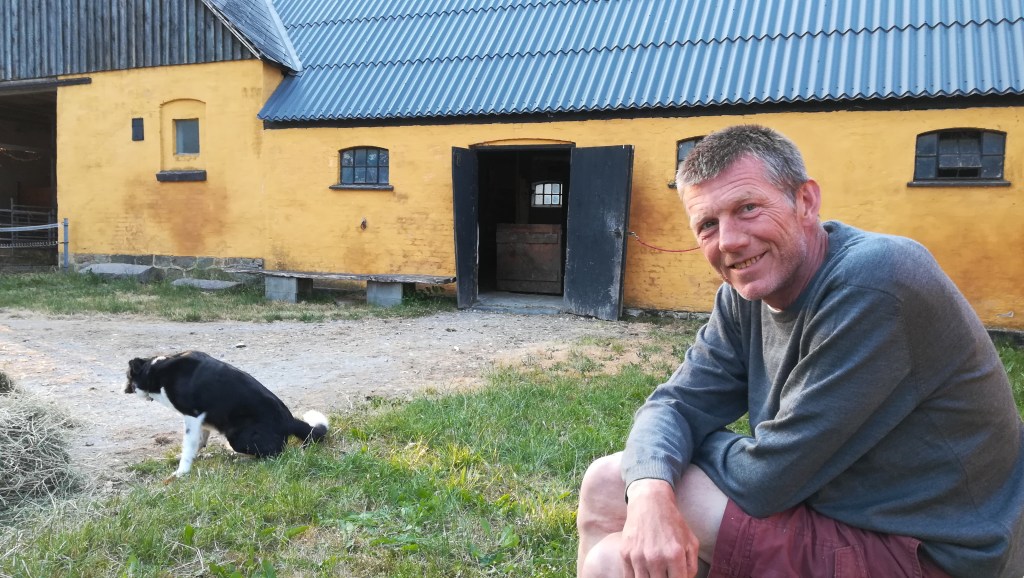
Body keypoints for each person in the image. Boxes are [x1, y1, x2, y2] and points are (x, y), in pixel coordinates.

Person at [575, 124, 1024, 578]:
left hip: (929, 550)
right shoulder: (743, 296)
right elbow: (674, 404)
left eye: (748, 208)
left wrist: (685, 445)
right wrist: (649, 488)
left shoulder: (876, 281)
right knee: (615, 484)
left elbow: (766, 479)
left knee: (613, 548)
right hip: (835, 511)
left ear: (806, 201)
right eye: (708, 225)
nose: (729, 240)